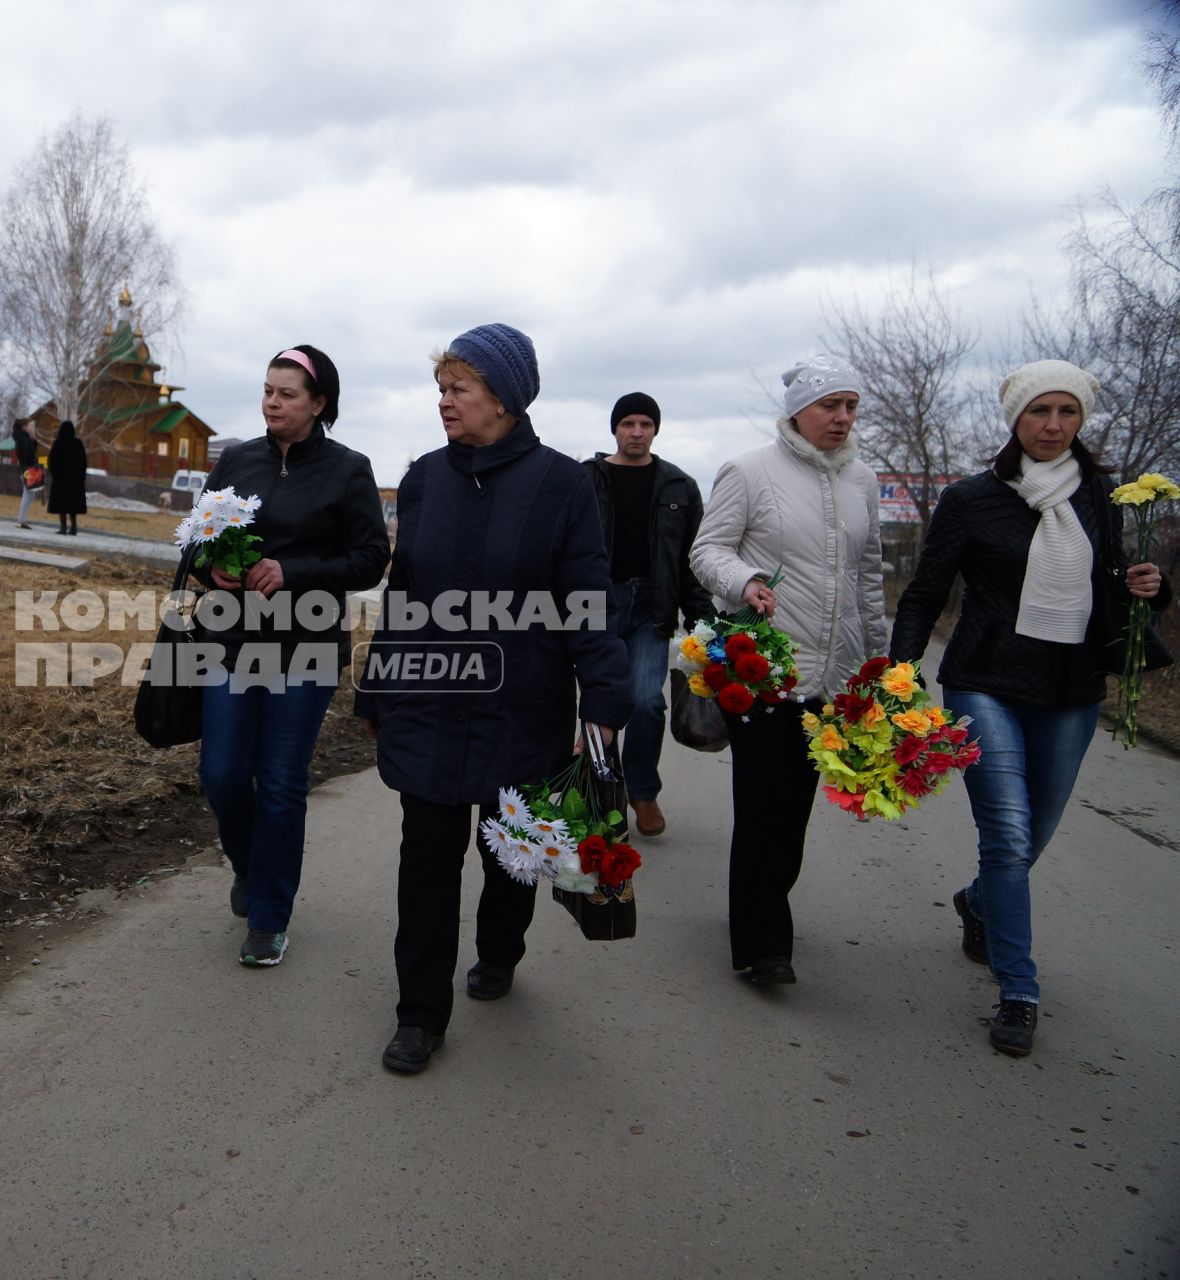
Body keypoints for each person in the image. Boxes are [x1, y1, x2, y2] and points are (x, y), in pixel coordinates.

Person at [356, 324, 631, 1073]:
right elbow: (403, 594)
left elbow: (587, 596)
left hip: (524, 707)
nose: (444, 403)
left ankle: (501, 949)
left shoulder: (562, 485)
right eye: (440, 389)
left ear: (504, 398)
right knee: (427, 863)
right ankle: (419, 1014)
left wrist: (603, 698)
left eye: (459, 390)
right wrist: (377, 687)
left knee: (509, 856)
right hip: (431, 705)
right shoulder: (423, 480)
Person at [888, 360, 1171, 1056]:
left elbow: (1117, 589)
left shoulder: (1103, 497)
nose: (1052, 425)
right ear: (1015, 419)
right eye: (1039, 412)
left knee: (1034, 837)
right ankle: (1019, 990)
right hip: (984, 678)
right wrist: (897, 677)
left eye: (1066, 412)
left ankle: (978, 901)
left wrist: (1150, 588)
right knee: (1008, 836)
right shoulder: (971, 499)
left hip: (1071, 689)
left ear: (1080, 420)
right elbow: (926, 592)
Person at [689, 354, 887, 987]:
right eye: (830, 405)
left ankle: (762, 906)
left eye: (851, 405)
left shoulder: (864, 481)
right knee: (762, 802)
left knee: (795, 806)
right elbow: (707, 550)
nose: (842, 417)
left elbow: (869, 575)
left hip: (833, 670)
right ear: (798, 410)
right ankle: (761, 943)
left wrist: (879, 662)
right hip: (763, 668)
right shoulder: (749, 471)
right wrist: (743, 579)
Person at [193, 345, 388, 966]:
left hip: (304, 649)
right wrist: (213, 567)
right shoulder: (237, 460)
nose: (272, 402)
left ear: (319, 404)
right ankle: (251, 869)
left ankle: (271, 916)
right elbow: (196, 542)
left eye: (287, 394)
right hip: (230, 643)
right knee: (222, 775)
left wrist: (294, 570)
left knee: (279, 783)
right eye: (268, 390)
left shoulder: (348, 470)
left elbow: (369, 559)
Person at [582, 392, 711, 836]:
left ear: (655, 430)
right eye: (628, 424)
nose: (636, 432)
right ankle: (605, 796)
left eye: (645, 424)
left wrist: (701, 619)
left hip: (651, 607)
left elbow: (692, 558)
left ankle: (642, 791)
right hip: (596, 605)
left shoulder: (679, 486)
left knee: (646, 701)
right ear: (614, 429)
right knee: (599, 704)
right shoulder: (587, 479)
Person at [46, 420, 87, 535]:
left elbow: (51, 461)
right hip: (75, 481)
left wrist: (55, 473)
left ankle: (63, 527)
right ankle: (73, 527)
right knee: (73, 505)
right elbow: (83, 462)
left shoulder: (58, 443)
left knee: (61, 504)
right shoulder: (78, 444)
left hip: (61, 480)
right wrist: (81, 477)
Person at [12, 416, 40, 529]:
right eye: (31, 426)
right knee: (28, 494)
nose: (32, 428)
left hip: (27, 468)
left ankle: (22, 519)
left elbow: (31, 451)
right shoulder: (22, 438)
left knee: (29, 494)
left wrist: (33, 440)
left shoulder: (24, 437)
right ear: (24, 427)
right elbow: (27, 455)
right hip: (27, 469)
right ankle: (21, 520)